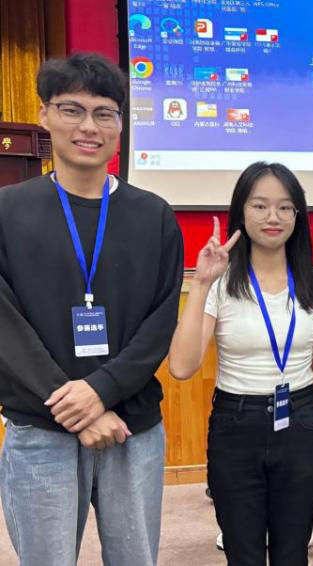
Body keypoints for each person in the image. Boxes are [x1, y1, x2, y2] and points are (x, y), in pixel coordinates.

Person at [0, 53, 184, 565]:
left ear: (120, 125)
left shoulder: (154, 216)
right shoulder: (7, 211)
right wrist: (76, 407)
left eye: (104, 113)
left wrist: (101, 391)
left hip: (131, 427)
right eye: (72, 109)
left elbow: (160, 321)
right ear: (44, 114)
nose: (89, 126)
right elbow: (5, 326)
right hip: (40, 426)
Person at [169, 161, 313, 565]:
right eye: (260, 206)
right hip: (236, 425)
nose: (272, 217)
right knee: (243, 554)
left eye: (285, 207)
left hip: (300, 424)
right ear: (241, 212)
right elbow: (181, 366)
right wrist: (202, 283)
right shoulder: (222, 282)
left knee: (292, 554)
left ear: (298, 215)